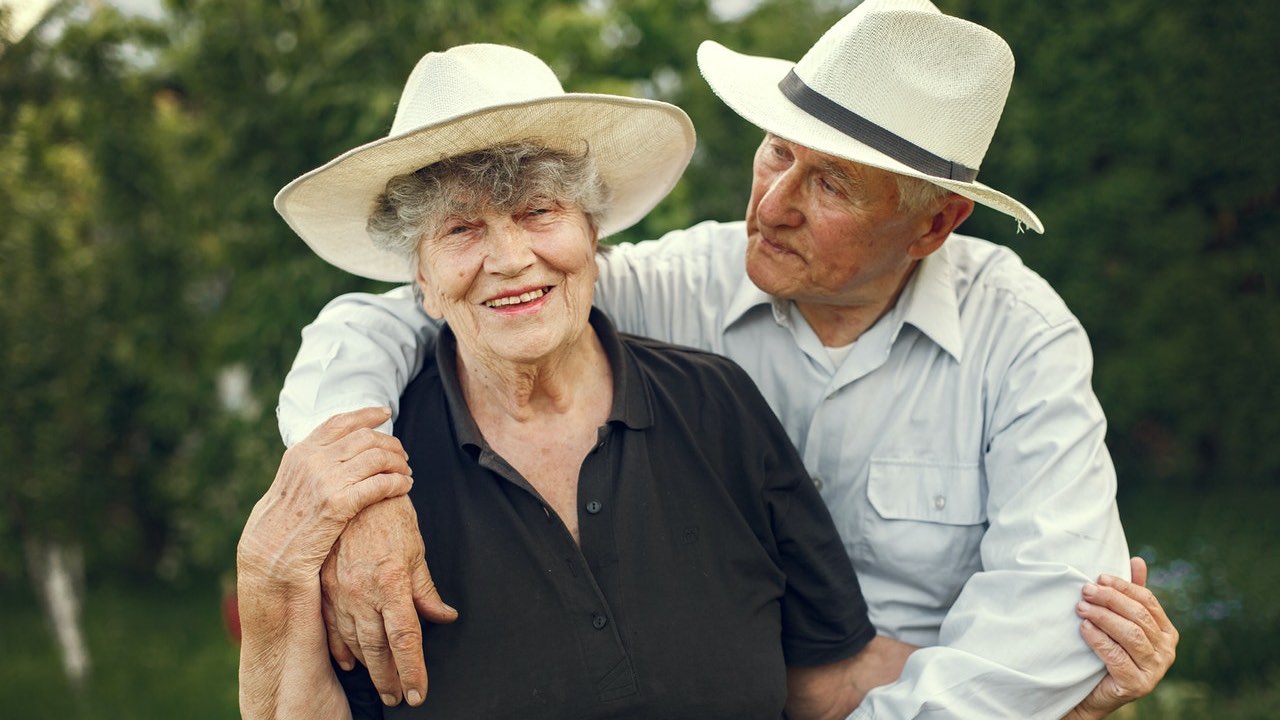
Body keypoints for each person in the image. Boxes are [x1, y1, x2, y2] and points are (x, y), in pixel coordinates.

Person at [278, 2, 1178, 718]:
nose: (773, 204)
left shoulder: (1018, 336)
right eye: (777, 152)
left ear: (934, 225)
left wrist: (1060, 696)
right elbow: (394, 321)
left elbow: (1056, 615)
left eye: (829, 183)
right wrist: (353, 485)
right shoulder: (680, 281)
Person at [244, 42, 918, 719]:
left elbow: (825, 689)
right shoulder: (363, 496)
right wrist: (269, 578)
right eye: (461, 228)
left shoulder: (717, 404)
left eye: (538, 211)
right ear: (420, 278)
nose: (509, 259)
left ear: (593, 233)